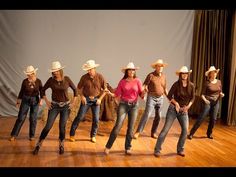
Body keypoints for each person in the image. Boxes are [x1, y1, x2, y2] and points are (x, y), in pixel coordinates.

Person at [33, 61, 78, 155]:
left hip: (66, 106)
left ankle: (61, 144)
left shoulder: (67, 79)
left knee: (62, 127)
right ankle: (38, 145)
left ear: (60, 70)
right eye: (53, 71)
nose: (55, 73)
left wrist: (73, 102)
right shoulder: (51, 80)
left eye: (57, 71)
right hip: (54, 106)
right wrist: (47, 101)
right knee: (48, 126)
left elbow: (75, 90)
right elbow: (42, 90)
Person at [154, 66, 195, 157]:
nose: (184, 75)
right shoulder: (176, 84)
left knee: (185, 130)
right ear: (180, 75)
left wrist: (188, 107)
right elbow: (169, 96)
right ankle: (157, 149)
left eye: (186, 74)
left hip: (184, 110)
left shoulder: (191, 85)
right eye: (182, 74)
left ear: (188, 75)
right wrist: (175, 103)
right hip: (173, 109)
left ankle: (180, 149)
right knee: (166, 129)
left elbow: (193, 98)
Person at [104, 62, 144, 155]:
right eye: (130, 70)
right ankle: (108, 146)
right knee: (118, 126)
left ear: (135, 71)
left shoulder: (138, 81)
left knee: (130, 128)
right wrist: (109, 93)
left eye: (133, 70)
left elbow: (141, 95)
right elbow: (116, 94)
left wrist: (144, 91)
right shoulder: (122, 82)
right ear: (127, 71)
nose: (131, 71)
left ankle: (128, 147)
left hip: (134, 106)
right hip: (123, 105)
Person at [69, 60, 108, 143]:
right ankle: (72, 134)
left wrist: (100, 99)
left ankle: (93, 136)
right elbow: (78, 88)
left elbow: (105, 90)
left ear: (94, 68)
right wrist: (82, 96)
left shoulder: (100, 77)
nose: (89, 71)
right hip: (86, 99)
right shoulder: (84, 77)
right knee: (79, 117)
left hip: (96, 99)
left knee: (96, 119)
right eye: (88, 70)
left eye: (90, 69)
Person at [133, 59, 168, 139]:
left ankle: (153, 132)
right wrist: (142, 91)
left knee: (158, 116)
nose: (160, 67)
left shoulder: (163, 76)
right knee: (147, 114)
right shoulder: (151, 75)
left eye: (161, 66)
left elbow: (165, 88)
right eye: (158, 66)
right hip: (151, 97)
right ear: (155, 67)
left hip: (161, 98)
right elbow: (144, 85)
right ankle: (138, 132)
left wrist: (169, 98)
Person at [188, 66, 224, 140]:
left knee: (213, 119)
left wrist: (221, 94)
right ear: (210, 74)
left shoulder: (219, 82)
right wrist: (205, 100)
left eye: (215, 73)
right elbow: (202, 95)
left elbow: (220, 92)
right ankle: (191, 133)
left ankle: (209, 133)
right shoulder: (207, 83)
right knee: (201, 118)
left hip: (216, 102)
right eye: (212, 73)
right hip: (207, 102)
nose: (214, 74)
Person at [9, 65, 43, 141]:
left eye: (31, 73)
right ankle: (14, 134)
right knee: (21, 117)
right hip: (25, 100)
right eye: (28, 74)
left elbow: (42, 91)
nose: (29, 75)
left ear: (34, 73)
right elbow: (21, 91)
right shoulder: (25, 81)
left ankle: (32, 135)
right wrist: (18, 101)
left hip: (35, 100)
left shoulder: (38, 81)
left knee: (33, 118)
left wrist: (41, 100)